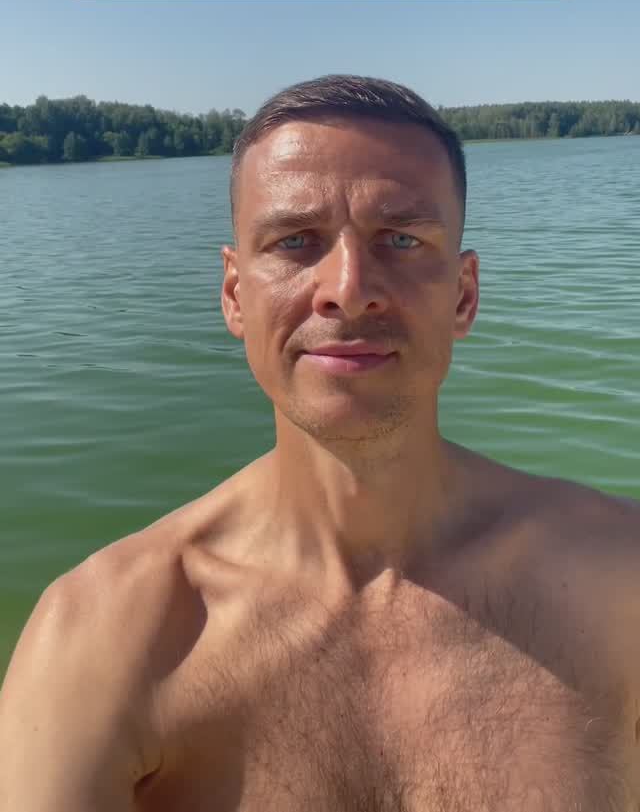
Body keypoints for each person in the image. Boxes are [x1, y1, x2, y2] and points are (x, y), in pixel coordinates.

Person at [1, 72, 639, 812]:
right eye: (296, 241)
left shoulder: (618, 580)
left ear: (463, 294)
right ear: (235, 295)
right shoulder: (104, 638)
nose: (348, 287)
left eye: (401, 239)